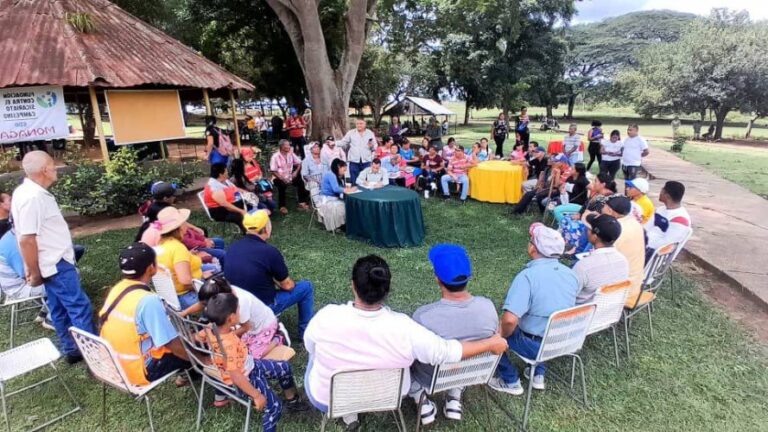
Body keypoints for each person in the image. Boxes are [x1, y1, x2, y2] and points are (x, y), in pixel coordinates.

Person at [303, 255, 508, 427]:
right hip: (389, 396)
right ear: (388, 289)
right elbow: (446, 351)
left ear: (353, 286)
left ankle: (350, 414)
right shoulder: (405, 327)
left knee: (314, 353)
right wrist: (490, 344)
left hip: (329, 399)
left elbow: (308, 346)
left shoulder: (326, 317)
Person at [12, 151, 96, 363]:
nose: (55, 169)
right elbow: (26, 239)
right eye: (53, 165)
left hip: (51, 261)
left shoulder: (27, 192)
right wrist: (34, 271)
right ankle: (93, 353)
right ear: (44, 170)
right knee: (79, 306)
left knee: (58, 308)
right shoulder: (33, 197)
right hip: (54, 263)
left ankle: (72, 350)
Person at [409, 245, 499, 425]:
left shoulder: (424, 316)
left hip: (430, 377)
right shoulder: (488, 307)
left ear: (437, 279)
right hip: (472, 372)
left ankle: (420, 397)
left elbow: (412, 354)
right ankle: (454, 396)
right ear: (469, 277)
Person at [490, 224, 578, 394]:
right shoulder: (571, 274)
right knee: (545, 322)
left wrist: (500, 335)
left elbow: (509, 320)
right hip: (564, 338)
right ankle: (538, 374)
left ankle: (510, 380)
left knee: (489, 332)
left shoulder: (527, 277)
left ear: (533, 248)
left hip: (536, 344)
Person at [202, 293, 306, 432]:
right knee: (275, 408)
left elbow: (200, 335)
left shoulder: (211, 328)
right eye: (238, 310)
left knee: (284, 367)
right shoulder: (228, 346)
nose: (241, 312)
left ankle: (293, 401)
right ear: (231, 318)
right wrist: (257, 395)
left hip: (251, 364)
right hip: (248, 377)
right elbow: (236, 376)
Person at [99, 243, 192, 386]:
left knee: (189, 340)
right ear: (151, 268)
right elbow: (171, 344)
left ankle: (188, 373)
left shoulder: (117, 289)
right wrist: (198, 357)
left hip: (113, 364)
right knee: (196, 344)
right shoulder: (148, 301)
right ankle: (199, 373)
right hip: (138, 369)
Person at [224, 211, 315, 339]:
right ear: (266, 228)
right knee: (306, 287)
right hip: (262, 308)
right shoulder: (269, 252)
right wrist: (287, 283)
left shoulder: (232, 247)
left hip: (237, 306)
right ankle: (305, 332)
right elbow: (288, 286)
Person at [154, 207, 217, 309]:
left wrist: (188, 254)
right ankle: (210, 318)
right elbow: (185, 281)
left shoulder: (159, 246)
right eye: (184, 222)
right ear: (179, 227)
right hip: (188, 296)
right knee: (226, 288)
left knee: (214, 269)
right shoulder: (178, 248)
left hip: (171, 296)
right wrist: (202, 280)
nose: (187, 226)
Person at [0, 228, 50, 329]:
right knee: (63, 282)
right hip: (20, 288)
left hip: (19, 283)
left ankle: (45, 310)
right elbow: (29, 277)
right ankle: (51, 319)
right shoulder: (13, 244)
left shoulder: (11, 237)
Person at [601, 195, 645, 308]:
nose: (601, 211)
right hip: (636, 284)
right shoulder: (634, 223)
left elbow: (603, 260)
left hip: (620, 289)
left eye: (603, 208)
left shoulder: (617, 230)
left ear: (610, 211)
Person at [573, 215, 629, 304]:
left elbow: (569, 293)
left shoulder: (583, 266)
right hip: (609, 313)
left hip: (580, 313)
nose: (587, 230)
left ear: (595, 237)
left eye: (589, 228)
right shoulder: (623, 261)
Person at [646, 181, 692, 262]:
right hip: (643, 245)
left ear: (667, 196)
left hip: (653, 255)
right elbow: (646, 227)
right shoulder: (661, 210)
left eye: (662, 190)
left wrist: (644, 243)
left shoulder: (680, 219)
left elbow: (667, 245)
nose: (660, 192)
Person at [270, 140, 310, 215]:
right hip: (278, 177)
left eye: (289, 145)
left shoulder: (291, 153)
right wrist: (282, 178)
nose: (289, 147)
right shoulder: (275, 156)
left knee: (300, 181)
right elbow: (273, 171)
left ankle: (301, 202)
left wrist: (296, 172)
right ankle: (282, 206)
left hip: (290, 176)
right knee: (281, 186)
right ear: (282, 147)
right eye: (287, 145)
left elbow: (300, 163)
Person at [204, 163, 248, 231]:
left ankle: (258, 224)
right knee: (239, 216)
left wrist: (247, 193)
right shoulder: (214, 187)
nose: (227, 172)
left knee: (253, 204)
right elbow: (225, 204)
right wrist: (241, 211)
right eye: (226, 171)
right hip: (220, 211)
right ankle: (248, 232)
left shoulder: (225, 180)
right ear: (220, 174)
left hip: (233, 202)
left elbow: (235, 189)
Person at [317, 159, 357, 232]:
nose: (344, 172)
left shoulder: (336, 175)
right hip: (327, 198)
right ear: (338, 167)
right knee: (342, 207)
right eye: (344, 170)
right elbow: (335, 189)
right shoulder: (331, 174)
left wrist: (346, 188)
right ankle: (340, 225)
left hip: (333, 197)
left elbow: (339, 187)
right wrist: (347, 190)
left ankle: (345, 224)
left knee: (347, 204)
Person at [338, 118, 377, 185]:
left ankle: (366, 194)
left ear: (365, 124)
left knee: (366, 180)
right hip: (354, 161)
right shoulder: (351, 133)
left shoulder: (370, 133)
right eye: (357, 124)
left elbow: (375, 146)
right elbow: (343, 142)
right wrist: (334, 143)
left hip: (366, 161)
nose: (359, 125)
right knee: (354, 180)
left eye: (361, 123)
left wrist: (372, 146)